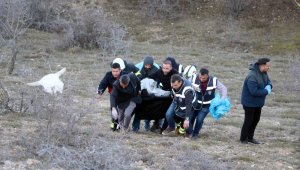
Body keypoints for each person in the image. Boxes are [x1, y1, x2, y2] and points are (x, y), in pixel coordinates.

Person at [187, 68, 227, 139]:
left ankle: (195, 134)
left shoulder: (214, 81)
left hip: (207, 105)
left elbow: (223, 88)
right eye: (200, 77)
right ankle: (189, 132)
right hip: (194, 104)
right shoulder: (193, 78)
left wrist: (222, 99)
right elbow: (186, 84)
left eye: (204, 78)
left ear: (207, 76)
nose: (201, 79)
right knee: (191, 118)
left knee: (200, 119)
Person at [240, 58, 272, 144]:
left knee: (256, 120)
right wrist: (266, 91)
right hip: (249, 103)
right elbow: (253, 92)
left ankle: (250, 138)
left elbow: (269, 82)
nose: (269, 68)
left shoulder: (264, 73)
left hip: (258, 103)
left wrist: (269, 86)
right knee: (249, 120)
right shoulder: (252, 76)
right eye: (267, 66)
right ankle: (243, 138)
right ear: (262, 65)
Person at [148, 59, 179, 132]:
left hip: (173, 95)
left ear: (171, 68)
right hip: (164, 94)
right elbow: (150, 76)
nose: (165, 70)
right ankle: (156, 124)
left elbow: (179, 85)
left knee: (168, 112)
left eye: (167, 68)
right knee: (158, 107)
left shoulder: (175, 74)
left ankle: (164, 128)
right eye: (163, 68)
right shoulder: (159, 72)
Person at [96, 63, 128, 131]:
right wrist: (99, 92)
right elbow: (103, 83)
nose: (115, 73)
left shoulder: (125, 75)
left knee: (121, 111)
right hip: (113, 96)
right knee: (113, 110)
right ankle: (114, 126)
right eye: (113, 71)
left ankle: (121, 125)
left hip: (123, 96)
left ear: (120, 70)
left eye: (116, 71)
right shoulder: (108, 75)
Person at [132, 55, 159, 132]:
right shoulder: (141, 69)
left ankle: (148, 124)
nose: (147, 67)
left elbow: (157, 81)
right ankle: (135, 127)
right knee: (138, 109)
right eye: (146, 65)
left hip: (151, 93)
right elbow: (139, 78)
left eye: (148, 65)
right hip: (142, 93)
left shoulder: (156, 70)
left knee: (150, 109)